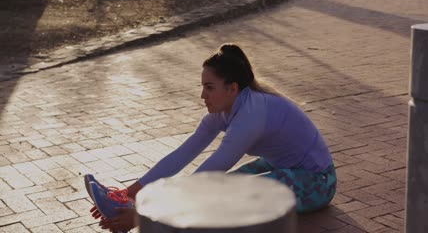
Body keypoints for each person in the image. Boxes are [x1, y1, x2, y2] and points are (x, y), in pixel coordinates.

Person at [86, 43, 337, 232]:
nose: (202, 95)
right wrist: (129, 193)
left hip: (319, 182)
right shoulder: (226, 109)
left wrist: (144, 216)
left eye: (209, 87)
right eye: (202, 86)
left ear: (232, 88)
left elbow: (208, 176)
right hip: (285, 167)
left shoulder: (252, 114)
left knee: (222, 196)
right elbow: (181, 155)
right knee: (224, 189)